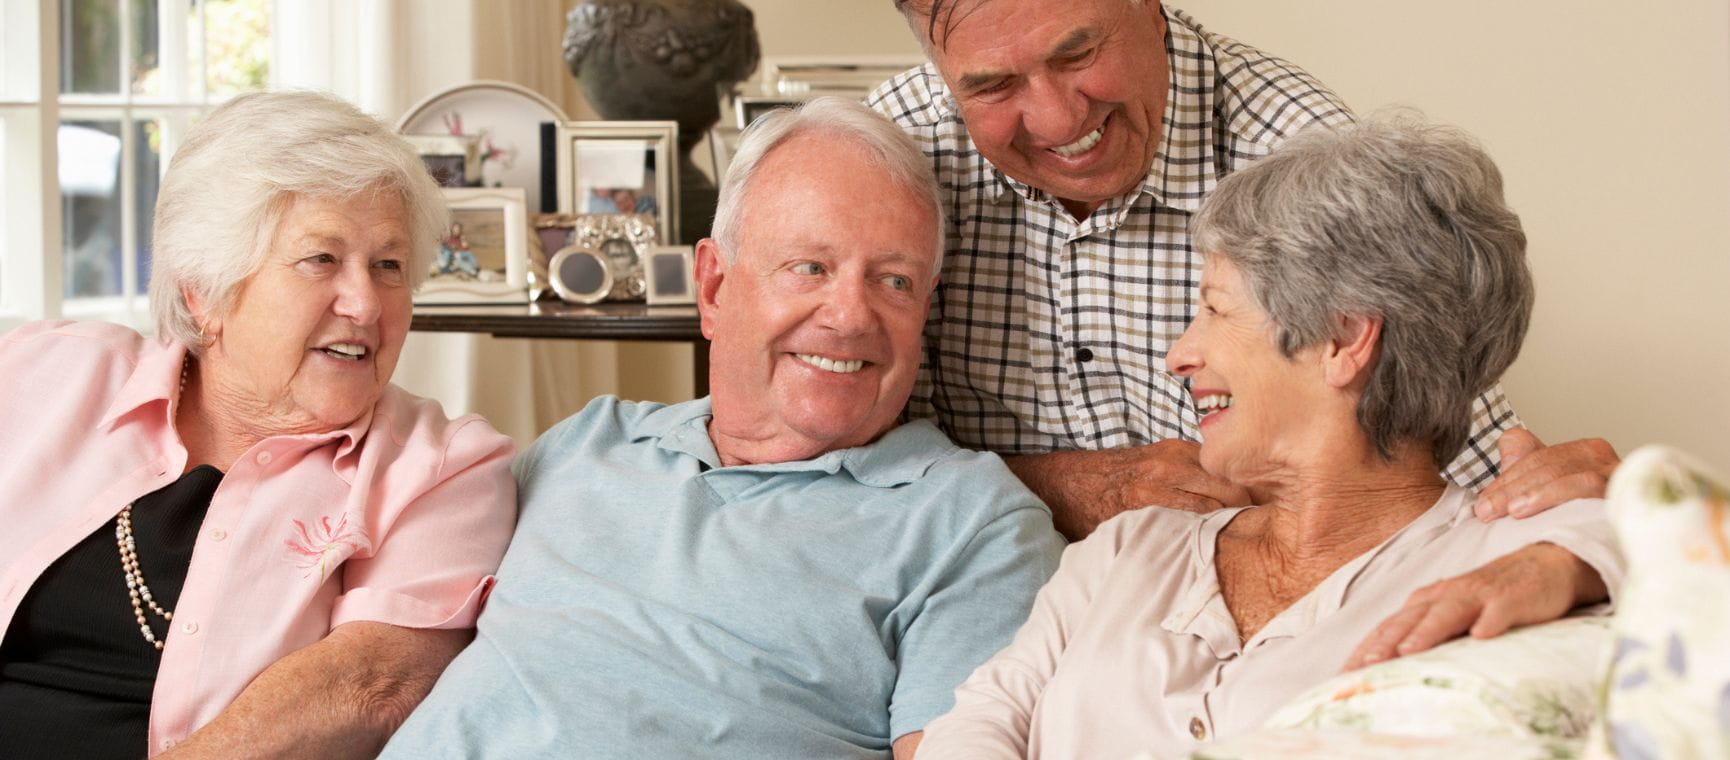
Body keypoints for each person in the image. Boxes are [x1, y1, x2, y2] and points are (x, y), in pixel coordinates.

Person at [912, 118, 1625, 758]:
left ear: (1342, 339)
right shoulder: (1126, 552)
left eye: (1215, 309)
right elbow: (980, 720)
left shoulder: (1516, 564)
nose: (1179, 355)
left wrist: (1601, 543)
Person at [380, 97, 1064, 759]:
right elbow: (391, 656)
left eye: (893, 282)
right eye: (810, 268)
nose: (851, 316)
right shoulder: (588, 442)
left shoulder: (971, 525)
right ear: (714, 287)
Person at [868, 0, 1619, 540]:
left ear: (1153, 10)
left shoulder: (1297, 151)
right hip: (971, 607)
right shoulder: (884, 151)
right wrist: (1059, 488)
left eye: (1078, 54)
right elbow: (802, 451)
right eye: (993, 87)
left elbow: (1436, 455)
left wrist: (1591, 523)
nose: (1061, 121)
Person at [0, 91, 518, 758]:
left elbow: (369, 684)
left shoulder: (443, 467)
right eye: (321, 260)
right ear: (204, 291)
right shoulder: (47, 372)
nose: (364, 302)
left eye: (388, 265)